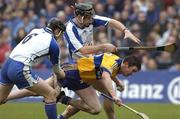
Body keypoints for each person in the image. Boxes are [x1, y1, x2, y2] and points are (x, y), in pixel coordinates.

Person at [63, 2, 142, 119]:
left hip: (91, 63)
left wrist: (125, 30)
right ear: (80, 17)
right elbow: (82, 50)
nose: (92, 21)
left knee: (103, 95)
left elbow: (111, 22)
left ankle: (62, 116)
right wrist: (103, 46)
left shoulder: (91, 19)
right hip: (78, 65)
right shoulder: (70, 28)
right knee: (106, 95)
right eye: (89, 18)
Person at [4, 53, 142, 119]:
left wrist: (117, 82)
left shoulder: (116, 62)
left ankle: (64, 100)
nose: (132, 74)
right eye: (133, 71)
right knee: (36, 91)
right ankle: (5, 98)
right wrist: (114, 96)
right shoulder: (113, 63)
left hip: (79, 77)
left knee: (95, 109)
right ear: (126, 65)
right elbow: (106, 75)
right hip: (72, 72)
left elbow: (108, 72)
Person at [0, 17, 66, 119]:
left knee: (1, 99)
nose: (61, 36)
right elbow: (57, 70)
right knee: (51, 94)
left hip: (8, 64)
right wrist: (64, 76)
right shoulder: (53, 44)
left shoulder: (36, 30)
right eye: (61, 33)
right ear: (57, 30)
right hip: (20, 68)